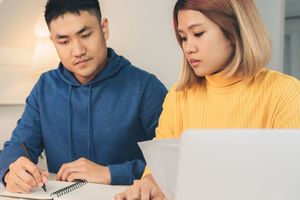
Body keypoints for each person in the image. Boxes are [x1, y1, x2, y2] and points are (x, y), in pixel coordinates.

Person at [115, 0, 300, 199]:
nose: (188, 48)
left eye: (198, 34)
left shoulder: (285, 92)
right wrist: (150, 183)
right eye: (183, 38)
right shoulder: (179, 97)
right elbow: (158, 171)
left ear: (234, 32)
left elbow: (290, 183)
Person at [0, 0, 167, 193]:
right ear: (53, 41)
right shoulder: (45, 87)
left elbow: (174, 162)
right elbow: (17, 146)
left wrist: (110, 173)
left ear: (104, 29)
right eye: (64, 41)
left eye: (86, 35)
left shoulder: (145, 87)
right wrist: (11, 170)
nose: (78, 51)